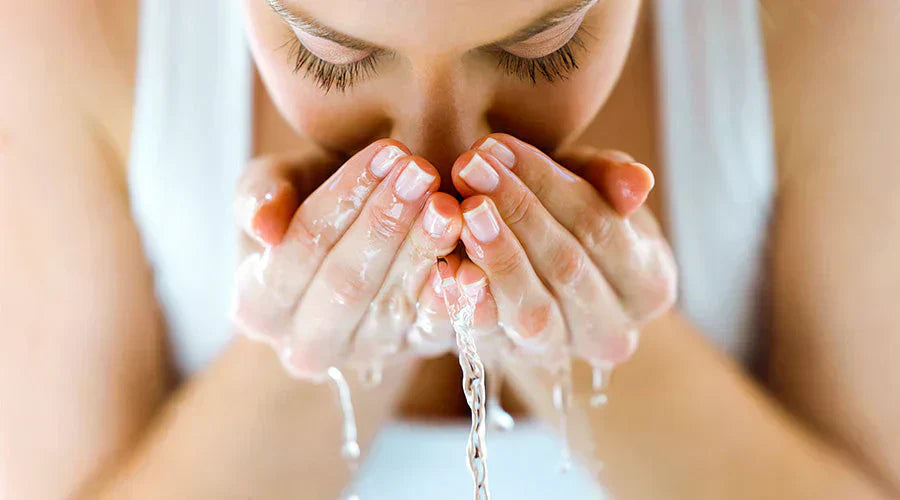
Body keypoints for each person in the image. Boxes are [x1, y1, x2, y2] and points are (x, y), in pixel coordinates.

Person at [1, 0, 898, 498]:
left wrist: (578, 331)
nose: (442, 158)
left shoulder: (828, 27)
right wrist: (320, 352)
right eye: (331, 56)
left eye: (545, 48)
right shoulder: (70, 31)